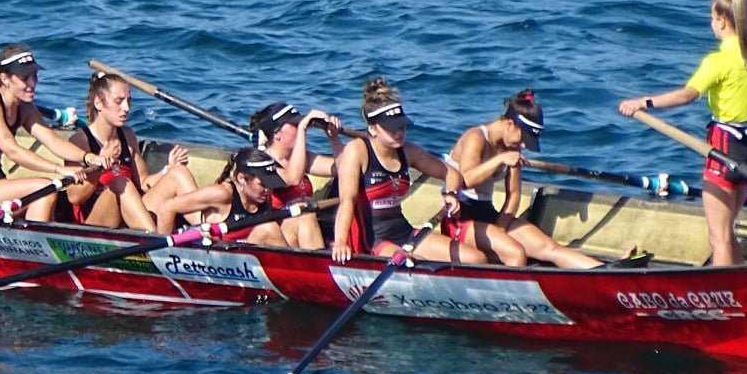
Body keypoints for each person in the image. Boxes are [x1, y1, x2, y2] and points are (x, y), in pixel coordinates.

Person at [618, 0, 747, 267]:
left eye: (712, 19)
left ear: (722, 21)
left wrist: (644, 102)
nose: (711, 25)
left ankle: (726, 296)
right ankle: (740, 285)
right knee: (728, 230)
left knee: (719, 237)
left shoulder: (718, 61)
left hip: (724, 149)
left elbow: (688, 94)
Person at [441, 91, 603, 268]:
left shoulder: (512, 147)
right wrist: (500, 159)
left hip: (488, 214)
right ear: (509, 124)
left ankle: (606, 272)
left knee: (548, 248)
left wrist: (501, 229)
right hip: (459, 217)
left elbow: (514, 195)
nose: (524, 145)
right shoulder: (475, 138)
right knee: (516, 253)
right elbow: (466, 180)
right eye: (523, 138)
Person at [0, 45, 106, 219]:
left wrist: (88, 157)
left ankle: (32, 240)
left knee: (46, 191)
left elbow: (54, 142)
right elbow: (13, 151)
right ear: (5, 79)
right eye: (24, 78)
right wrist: (60, 169)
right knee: (44, 189)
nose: (32, 84)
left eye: (34, 76)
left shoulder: (26, 109)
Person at [329, 77, 457, 263]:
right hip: (373, 241)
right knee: (415, 263)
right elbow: (346, 202)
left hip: (404, 233)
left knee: (475, 258)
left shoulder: (409, 151)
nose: (399, 133)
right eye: (392, 128)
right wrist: (340, 242)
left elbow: (451, 174)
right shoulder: (357, 151)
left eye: (402, 126)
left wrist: (451, 193)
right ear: (372, 129)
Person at [71, 70, 197, 231]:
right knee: (120, 182)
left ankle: (211, 234)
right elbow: (75, 197)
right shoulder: (80, 142)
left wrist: (168, 169)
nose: (126, 108)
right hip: (95, 222)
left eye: (129, 101)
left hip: (130, 214)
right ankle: (156, 242)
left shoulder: (127, 136)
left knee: (179, 173)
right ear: (99, 103)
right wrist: (100, 163)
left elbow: (144, 183)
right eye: (119, 101)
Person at [142, 146, 301, 246]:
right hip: (215, 257)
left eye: (270, 183)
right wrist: (165, 256)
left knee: (302, 218)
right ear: (241, 179)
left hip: (241, 252)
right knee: (269, 228)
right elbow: (166, 208)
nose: (268, 189)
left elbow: (293, 177)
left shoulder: (262, 194)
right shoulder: (222, 194)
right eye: (262, 184)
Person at [243, 101, 344, 250]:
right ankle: (318, 266)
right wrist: (303, 128)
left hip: (301, 233)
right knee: (304, 214)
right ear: (277, 134)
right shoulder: (263, 162)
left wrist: (333, 138)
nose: (301, 130)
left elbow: (341, 169)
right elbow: (293, 178)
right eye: (295, 126)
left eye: (299, 126)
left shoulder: (303, 158)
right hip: (274, 236)